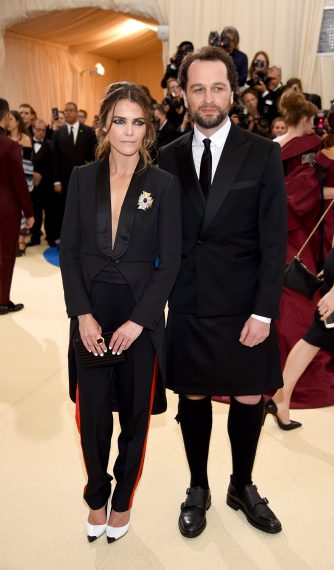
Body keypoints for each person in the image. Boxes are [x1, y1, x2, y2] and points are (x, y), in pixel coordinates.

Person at [158, 46, 287, 538]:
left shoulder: (262, 152)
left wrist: (265, 311)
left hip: (244, 304)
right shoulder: (166, 157)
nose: (207, 98)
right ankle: (198, 486)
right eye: (197, 89)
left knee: (249, 395)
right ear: (183, 95)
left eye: (217, 88)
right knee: (191, 396)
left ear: (233, 92)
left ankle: (242, 484)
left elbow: (275, 240)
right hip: (189, 301)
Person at [59, 82, 181, 543]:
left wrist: (139, 321)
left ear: (148, 130)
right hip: (91, 312)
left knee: (134, 417)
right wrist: (83, 315)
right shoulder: (81, 178)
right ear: (104, 125)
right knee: (91, 416)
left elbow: (169, 263)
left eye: (138, 121)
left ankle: (124, 499)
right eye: (119, 120)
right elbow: (69, 253)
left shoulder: (163, 186)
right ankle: (96, 496)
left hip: (140, 316)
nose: (128, 131)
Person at [266, 104, 334, 425]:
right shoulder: (314, 151)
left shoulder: (318, 153)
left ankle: (282, 398)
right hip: (329, 235)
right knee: (319, 319)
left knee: (316, 321)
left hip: (325, 232)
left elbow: (308, 196)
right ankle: (282, 396)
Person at [0, 98, 33, 315]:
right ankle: (2, 300)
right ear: (4, 116)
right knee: (5, 255)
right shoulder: (10, 146)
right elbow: (20, 183)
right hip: (6, 208)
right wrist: (29, 212)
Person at [53, 101, 97, 232]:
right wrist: (56, 181)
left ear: (77, 112)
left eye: (71, 110)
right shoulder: (57, 133)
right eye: (65, 110)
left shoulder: (89, 132)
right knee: (65, 210)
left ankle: (85, 237)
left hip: (84, 179)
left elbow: (93, 157)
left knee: (84, 209)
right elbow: (54, 159)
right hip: (64, 179)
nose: (67, 112)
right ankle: (66, 238)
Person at [7, 110, 34, 255]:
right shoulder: (3, 137)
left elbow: (28, 164)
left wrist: (26, 184)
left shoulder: (25, 139)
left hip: (21, 180)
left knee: (22, 211)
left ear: (17, 121)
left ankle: (21, 241)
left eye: (11, 119)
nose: (8, 122)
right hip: (6, 183)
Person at [30, 119, 59, 247]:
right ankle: (35, 237)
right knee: (34, 212)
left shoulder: (51, 144)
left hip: (47, 185)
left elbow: (54, 166)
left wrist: (43, 176)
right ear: (33, 129)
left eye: (42, 130)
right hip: (31, 186)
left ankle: (50, 237)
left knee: (50, 213)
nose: (39, 132)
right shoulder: (26, 142)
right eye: (37, 129)